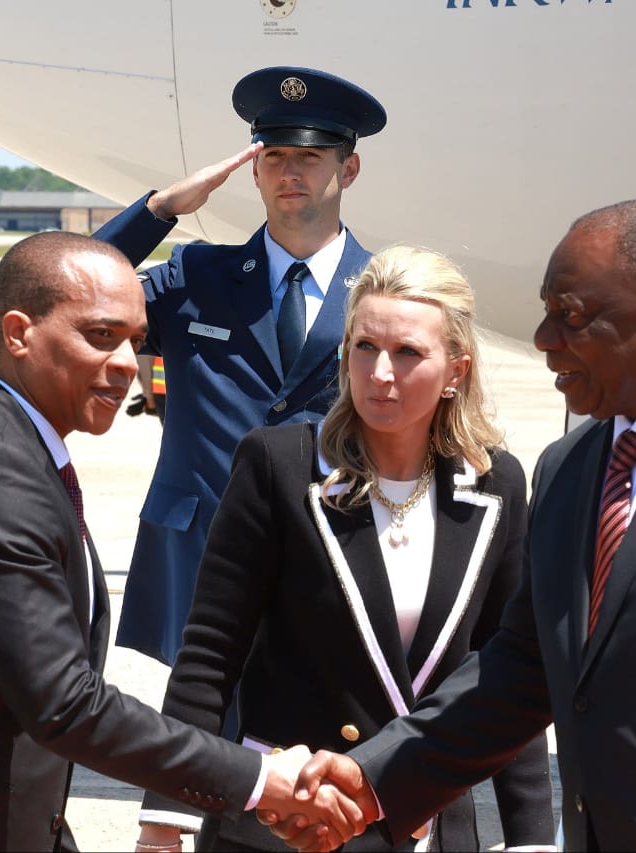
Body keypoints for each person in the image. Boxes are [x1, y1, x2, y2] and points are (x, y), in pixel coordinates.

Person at [0, 231, 366, 852]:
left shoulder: (17, 450)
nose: (129, 363)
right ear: (18, 334)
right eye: (100, 337)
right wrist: (262, 777)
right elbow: (65, 704)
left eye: (134, 340)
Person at [275, 199, 636, 851]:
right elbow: (522, 666)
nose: (545, 338)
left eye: (570, 316)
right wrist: (371, 777)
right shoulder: (571, 467)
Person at [134, 246, 553, 853]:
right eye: (364, 347)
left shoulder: (496, 485)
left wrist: (531, 839)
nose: (381, 373)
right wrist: (163, 821)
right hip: (286, 825)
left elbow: (506, 672)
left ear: (456, 371)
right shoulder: (280, 465)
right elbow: (209, 656)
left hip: (425, 827)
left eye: (408, 352)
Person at [95, 65, 387, 665]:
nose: (290, 171)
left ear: (348, 169)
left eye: (310, 155)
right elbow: (67, 289)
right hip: (201, 554)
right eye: (273, 155)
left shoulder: (386, 290)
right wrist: (158, 210)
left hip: (334, 552)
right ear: (253, 169)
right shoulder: (196, 277)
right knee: (204, 747)